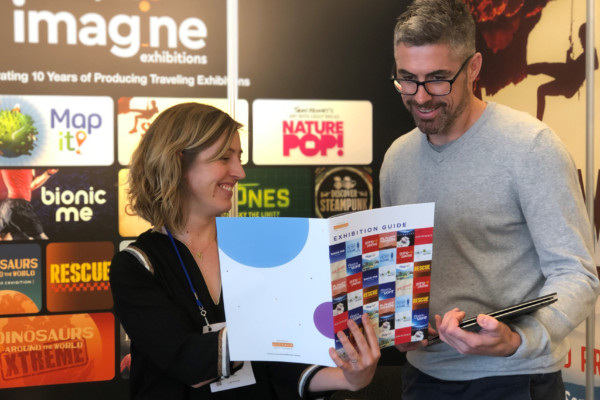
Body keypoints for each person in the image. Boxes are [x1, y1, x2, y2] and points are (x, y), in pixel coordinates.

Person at [380, 1, 599, 399]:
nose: (421, 96)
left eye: (439, 79)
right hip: (423, 377)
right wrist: (398, 327)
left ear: (474, 67)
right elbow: (399, 274)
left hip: (514, 377)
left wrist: (518, 339)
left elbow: (578, 275)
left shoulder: (531, 148)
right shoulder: (397, 159)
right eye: (407, 79)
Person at [109, 102, 380, 399]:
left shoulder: (255, 248)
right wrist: (280, 322)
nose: (239, 172)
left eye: (238, 158)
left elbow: (280, 366)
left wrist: (349, 377)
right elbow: (191, 364)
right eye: (224, 158)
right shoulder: (136, 265)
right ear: (177, 162)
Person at [0, 168, 58, 240]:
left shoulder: (30, 164)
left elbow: (30, 186)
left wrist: (47, 174)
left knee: (4, 238)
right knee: (42, 239)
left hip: (7, 207)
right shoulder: (8, 160)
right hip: (18, 205)